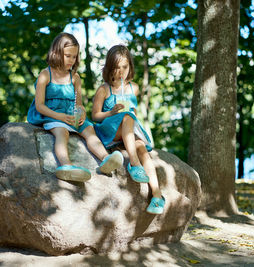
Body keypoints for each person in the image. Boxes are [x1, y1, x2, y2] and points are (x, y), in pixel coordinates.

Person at [27, 32, 123, 182]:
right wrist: (59, 117)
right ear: (56, 53)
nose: (72, 60)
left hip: (70, 114)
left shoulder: (75, 77)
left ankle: (106, 159)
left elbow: (79, 104)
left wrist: (82, 112)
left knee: (89, 130)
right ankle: (66, 166)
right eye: (68, 56)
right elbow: (39, 106)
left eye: (74, 56)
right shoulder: (45, 75)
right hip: (52, 114)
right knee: (62, 132)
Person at [92, 45, 165, 214]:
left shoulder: (134, 88)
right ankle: (134, 163)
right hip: (110, 130)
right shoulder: (104, 89)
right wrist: (111, 112)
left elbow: (135, 114)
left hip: (128, 131)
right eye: (117, 67)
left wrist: (132, 117)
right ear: (110, 67)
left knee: (142, 147)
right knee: (126, 117)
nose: (121, 71)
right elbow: (95, 115)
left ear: (130, 66)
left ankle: (157, 196)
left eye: (124, 67)